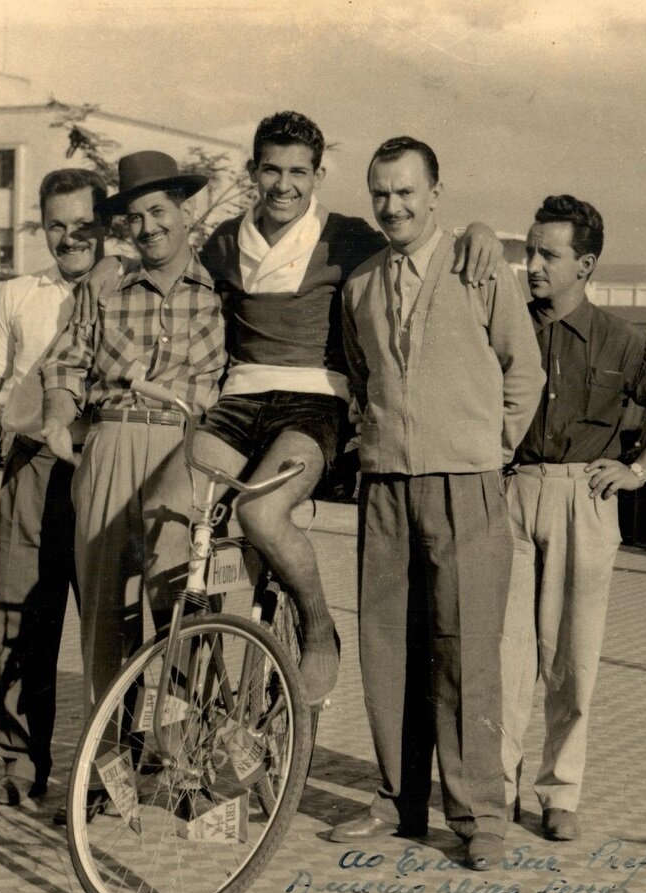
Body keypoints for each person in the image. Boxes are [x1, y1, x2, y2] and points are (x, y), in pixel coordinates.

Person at [193, 111, 502, 704]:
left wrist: (481, 229)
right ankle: (197, 677)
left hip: (314, 403)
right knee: (167, 518)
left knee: (259, 515)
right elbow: (182, 280)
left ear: (318, 175)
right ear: (253, 171)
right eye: (271, 170)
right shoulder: (227, 240)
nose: (284, 184)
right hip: (239, 399)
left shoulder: (347, 234)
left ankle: (316, 628)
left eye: (298, 172)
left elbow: (421, 240)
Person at [333, 137, 543, 871]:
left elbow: (526, 370)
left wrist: (491, 449)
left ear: (436, 193)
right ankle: (398, 801)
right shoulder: (359, 286)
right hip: (387, 485)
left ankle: (480, 814)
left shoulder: (478, 268)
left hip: (468, 486)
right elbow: (362, 379)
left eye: (405, 191)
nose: (392, 206)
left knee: (466, 651)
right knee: (388, 648)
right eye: (380, 193)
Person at [500, 194, 646, 842]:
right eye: (529, 251)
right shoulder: (506, 326)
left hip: (584, 502)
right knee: (503, 659)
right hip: (511, 494)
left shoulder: (621, 340)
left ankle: (561, 793)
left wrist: (638, 472)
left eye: (547, 255)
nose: (532, 265)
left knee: (572, 660)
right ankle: (496, 790)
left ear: (585, 264)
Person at [0, 167, 106, 808]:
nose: (70, 238)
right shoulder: (17, 295)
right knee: (21, 624)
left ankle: (107, 777)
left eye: (83, 225)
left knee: (109, 631)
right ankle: (19, 765)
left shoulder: (127, 286)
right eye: (57, 226)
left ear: (105, 225)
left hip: (104, 469)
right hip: (32, 471)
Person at [41, 152, 225, 728]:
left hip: (187, 450)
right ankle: (109, 762)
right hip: (113, 444)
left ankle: (181, 757)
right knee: (104, 615)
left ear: (183, 211)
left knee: (183, 608)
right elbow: (67, 362)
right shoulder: (108, 286)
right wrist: (56, 416)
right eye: (135, 218)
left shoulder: (224, 288)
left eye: (159, 211)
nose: (148, 227)